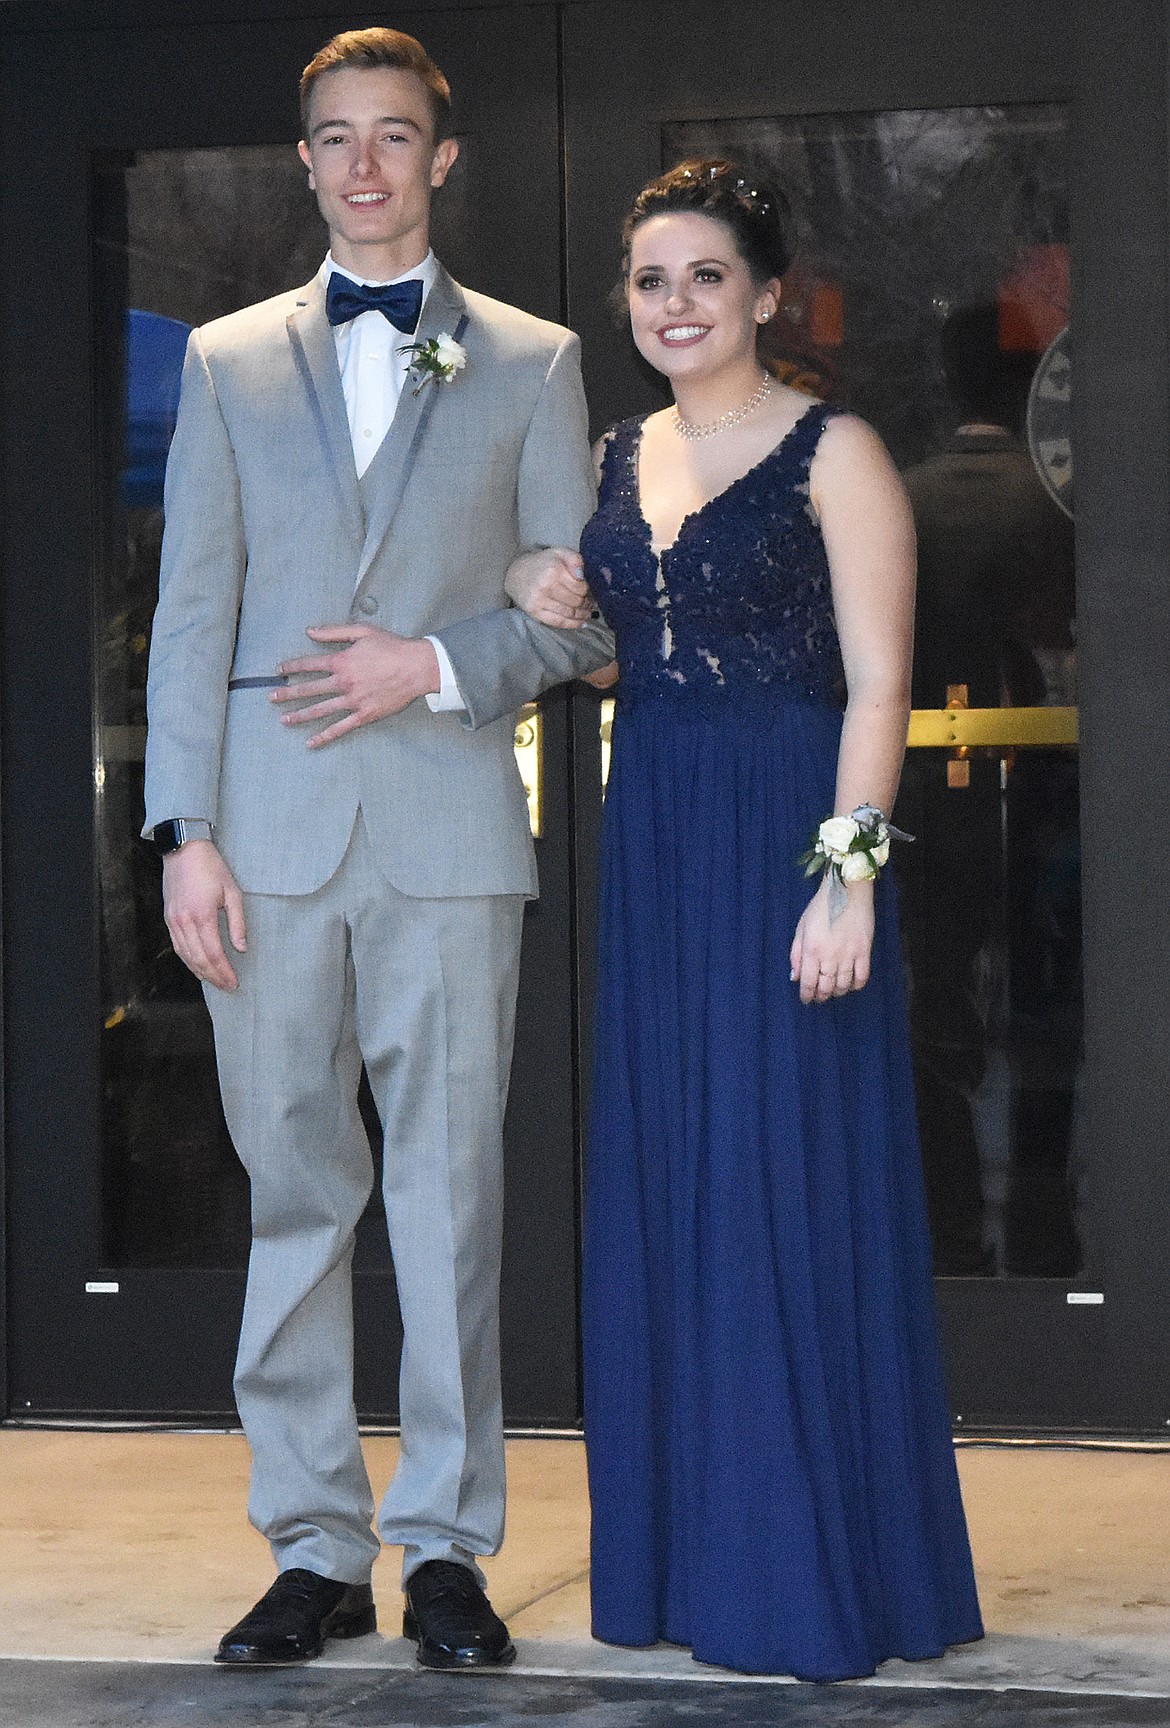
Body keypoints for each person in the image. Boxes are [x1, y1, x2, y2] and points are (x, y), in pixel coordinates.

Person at [143, 27, 612, 1670]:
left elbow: (574, 618)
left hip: (448, 833)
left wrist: (440, 661)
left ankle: (445, 1550)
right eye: (334, 138)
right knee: (294, 1191)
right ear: (305, 161)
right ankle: (313, 1544)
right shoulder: (222, 360)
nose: (362, 165)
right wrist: (185, 830)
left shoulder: (536, 362)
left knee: (448, 1199)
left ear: (442, 159)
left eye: (392, 137)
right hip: (263, 841)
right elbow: (190, 610)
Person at [507, 159, 983, 1679]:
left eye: (705, 276)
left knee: (774, 1179)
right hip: (655, 833)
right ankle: (683, 1564)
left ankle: (806, 1569)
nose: (673, 304)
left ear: (765, 294)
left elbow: (881, 682)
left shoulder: (834, 448)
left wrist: (847, 872)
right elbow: (618, 664)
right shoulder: (613, 449)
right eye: (650, 279)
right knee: (679, 1177)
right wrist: (549, 594)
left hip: (786, 826)